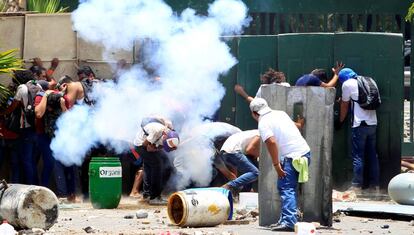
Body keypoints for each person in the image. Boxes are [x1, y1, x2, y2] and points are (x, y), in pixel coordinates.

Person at [249, 97, 311, 232]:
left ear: (254, 113)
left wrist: (276, 165)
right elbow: (294, 126)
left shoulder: (263, 122)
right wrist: (300, 124)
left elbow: (271, 142)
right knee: (288, 187)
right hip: (304, 153)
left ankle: (289, 222)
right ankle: (285, 220)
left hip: (293, 157)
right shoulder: (280, 113)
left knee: (286, 188)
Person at [338, 68, 379, 193]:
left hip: (359, 124)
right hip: (372, 123)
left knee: (358, 156)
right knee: (372, 155)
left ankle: (356, 186)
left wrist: (340, 121)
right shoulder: (369, 80)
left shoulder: (347, 84)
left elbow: (344, 105)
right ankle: (375, 186)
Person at [133, 116, 180, 205]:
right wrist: (152, 148)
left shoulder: (171, 134)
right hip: (141, 145)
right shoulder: (157, 131)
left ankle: (147, 194)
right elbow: (145, 145)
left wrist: (156, 148)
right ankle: (154, 197)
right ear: (165, 136)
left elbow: (164, 147)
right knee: (156, 165)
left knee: (166, 165)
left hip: (151, 144)